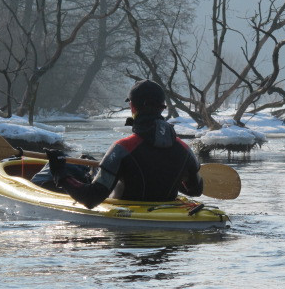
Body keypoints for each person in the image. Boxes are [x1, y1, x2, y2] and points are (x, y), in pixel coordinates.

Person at [45, 79, 204, 209]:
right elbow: (195, 190)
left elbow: (91, 199)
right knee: (89, 164)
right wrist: (167, 175)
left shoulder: (123, 148)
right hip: (169, 226)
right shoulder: (184, 148)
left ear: (133, 107)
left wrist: (60, 173)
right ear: (162, 108)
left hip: (127, 230)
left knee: (70, 170)